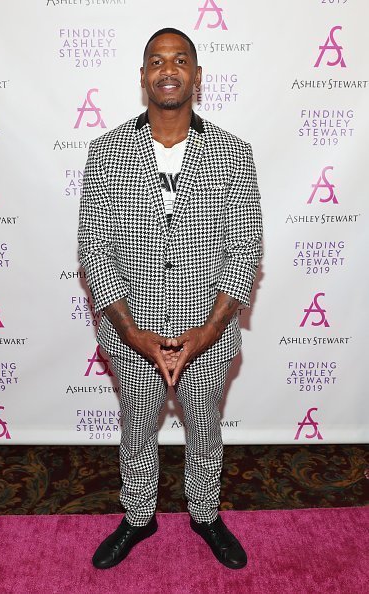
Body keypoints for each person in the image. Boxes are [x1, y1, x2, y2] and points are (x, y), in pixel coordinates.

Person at [78, 27, 262, 570]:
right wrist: (133, 333)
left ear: (197, 77)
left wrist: (207, 332)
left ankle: (206, 514)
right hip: (132, 329)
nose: (168, 69)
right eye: (156, 61)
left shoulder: (232, 152)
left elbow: (245, 248)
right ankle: (139, 515)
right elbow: (94, 248)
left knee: (205, 421)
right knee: (136, 420)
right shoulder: (107, 151)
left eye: (180, 59)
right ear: (142, 78)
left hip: (208, 329)